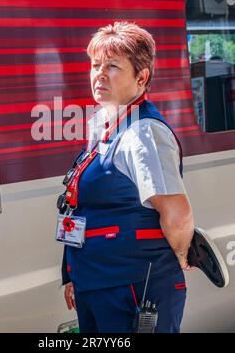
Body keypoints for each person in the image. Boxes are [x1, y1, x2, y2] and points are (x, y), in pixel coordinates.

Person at [58, 21, 195, 333]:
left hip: (134, 288)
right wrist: (75, 274)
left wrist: (167, 261)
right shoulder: (103, 126)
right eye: (95, 65)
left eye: (113, 66)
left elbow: (177, 214)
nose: (99, 74)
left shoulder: (143, 132)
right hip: (98, 283)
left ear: (142, 76)